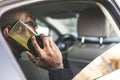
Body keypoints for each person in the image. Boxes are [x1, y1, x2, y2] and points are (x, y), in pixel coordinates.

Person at [0, 9, 73, 80]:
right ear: (8, 33)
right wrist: (57, 69)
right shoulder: (6, 71)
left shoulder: (8, 63)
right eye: (31, 22)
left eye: (34, 21)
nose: (36, 26)